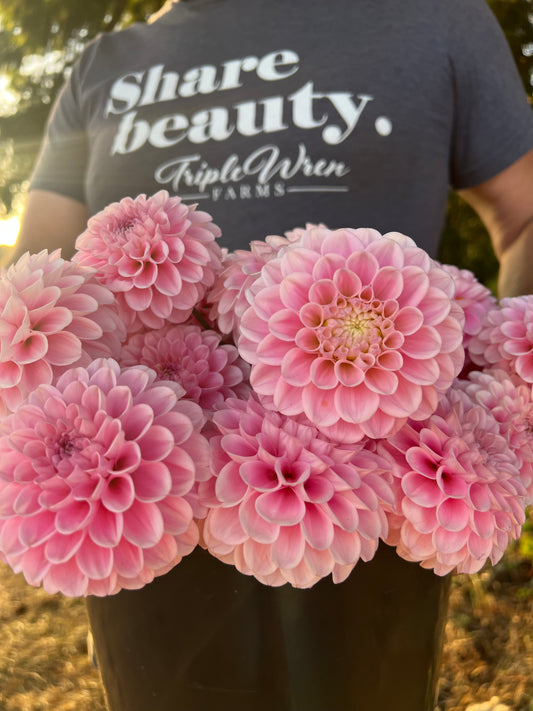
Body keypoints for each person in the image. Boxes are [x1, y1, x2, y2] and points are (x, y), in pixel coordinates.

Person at [11, 1, 533, 709]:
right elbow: (33, 277)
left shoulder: (436, 18)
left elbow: (525, 214)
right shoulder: (101, 66)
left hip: (376, 496)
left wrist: (513, 373)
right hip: (147, 540)